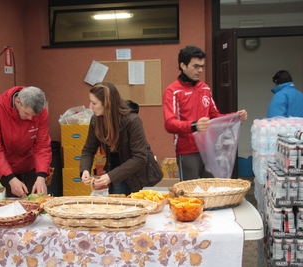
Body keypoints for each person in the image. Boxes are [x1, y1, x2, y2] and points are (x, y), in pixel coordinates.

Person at [163, 45, 248, 181]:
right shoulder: (172, 91)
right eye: (196, 66)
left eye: (202, 66)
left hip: (208, 148)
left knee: (211, 191)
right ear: (183, 65)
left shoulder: (205, 88)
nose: (200, 70)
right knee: (190, 193)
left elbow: (215, 116)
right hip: (187, 150)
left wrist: (234, 117)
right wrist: (194, 126)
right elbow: (169, 124)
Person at [80, 81, 158, 195]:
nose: (90, 106)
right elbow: (88, 150)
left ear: (107, 103)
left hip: (139, 176)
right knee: (119, 208)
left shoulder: (133, 121)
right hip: (116, 175)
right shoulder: (95, 121)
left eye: (94, 103)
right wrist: (85, 169)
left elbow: (140, 158)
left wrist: (110, 176)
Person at [0, 86, 52, 197]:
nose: (30, 119)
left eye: (33, 115)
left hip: (30, 163)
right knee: (9, 205)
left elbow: (42, 145)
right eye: (26, 113)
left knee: (35, 203)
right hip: (4, 166)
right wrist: (10, 178)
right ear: (18, 101)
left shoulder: (42, 112)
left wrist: (41, 176)